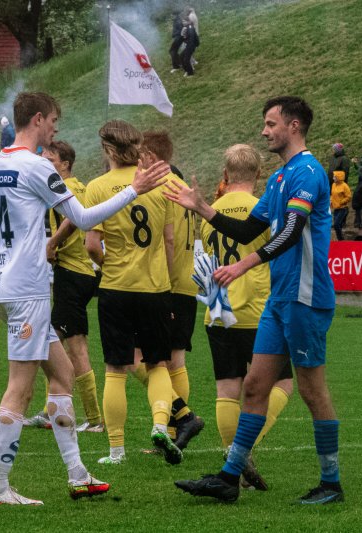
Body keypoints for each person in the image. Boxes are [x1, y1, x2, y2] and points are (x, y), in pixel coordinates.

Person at [0, 92, 170, 505]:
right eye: (53, 122)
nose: (56, 130)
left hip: (5, 285)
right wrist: (133, 189)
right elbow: (83, 218)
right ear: (38, 119)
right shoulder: (38, 167)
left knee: (62, 375)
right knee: (19, 390)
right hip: (28, 287)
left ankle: (78, 473)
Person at [166, 96, 343, 505]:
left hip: (305, 298)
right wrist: (204, 208)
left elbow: (293, 232)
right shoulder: (281, 179)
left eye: (270, 123)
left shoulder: (308, 173)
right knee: (255, 386)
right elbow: (248, 230)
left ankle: (331, 483)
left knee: (312, 392)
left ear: (293, 126)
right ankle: (229, 480)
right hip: (280, 300)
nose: (264, 131)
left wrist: (243, 266)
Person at [83, 121, 181, 466]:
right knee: (158, 365)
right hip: (155, 288)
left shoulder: (97, 187)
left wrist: (107, 265)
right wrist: (164, 281)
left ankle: (116, 450)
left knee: (115, 369)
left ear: (107, 150)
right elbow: (169, 240)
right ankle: (159, 425)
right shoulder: (161, 182)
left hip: (115, 287)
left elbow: (92, 245)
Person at [200, 144, 294, 491]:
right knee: (284, 383)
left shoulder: (209, 211)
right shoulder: (265, 209)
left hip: (219, 311)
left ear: (225, 174)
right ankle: (242, 453)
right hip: (259, 312)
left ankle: (233, 459)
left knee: (227, 390)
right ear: (258, 175)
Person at [139, 131, 205, 450]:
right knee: (174, 360)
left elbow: (167, 239)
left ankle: (175, 422)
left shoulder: (163, 188)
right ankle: (176, 431)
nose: (138, 159)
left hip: (168, 283)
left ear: (152, 156)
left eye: (141, 154)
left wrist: (160, 283)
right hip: (187, 281)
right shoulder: (182, 186)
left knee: (149, 361)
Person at [41, 140, 103, 433]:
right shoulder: (60, 186)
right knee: (49, 342)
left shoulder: (73, 187)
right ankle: (50, 409)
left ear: (65, 164)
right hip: (71, 274)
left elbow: (74, 220)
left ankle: (94, 419)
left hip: (74, 274)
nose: (44, 162)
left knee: (75, 348)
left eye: (50, 159)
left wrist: (54, 242)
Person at [330, 168, 351, 240]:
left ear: (338, 177)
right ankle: (341, 240)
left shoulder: (345, 186)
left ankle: (341, 240)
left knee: (336, 224)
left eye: (334, 177)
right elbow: (332, 194)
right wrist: (331, 200)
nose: (333, 178)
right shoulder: (333, 185)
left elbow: (348, 197)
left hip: (343, 208)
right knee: (338, 226)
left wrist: (340, 202)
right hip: (335, 208)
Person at [180, 8, 200, 77]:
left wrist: (188, 44)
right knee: (181, 57)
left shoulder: (190, 28)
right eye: (182, 21)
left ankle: (190, 73)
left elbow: (191, 39)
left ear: (188, 21)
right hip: (189, 45)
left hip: (190, 46)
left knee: (186, 59)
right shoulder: (188, 27)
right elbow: (193, 37)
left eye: (184, 21)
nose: (183, 23)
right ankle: (187, 71)